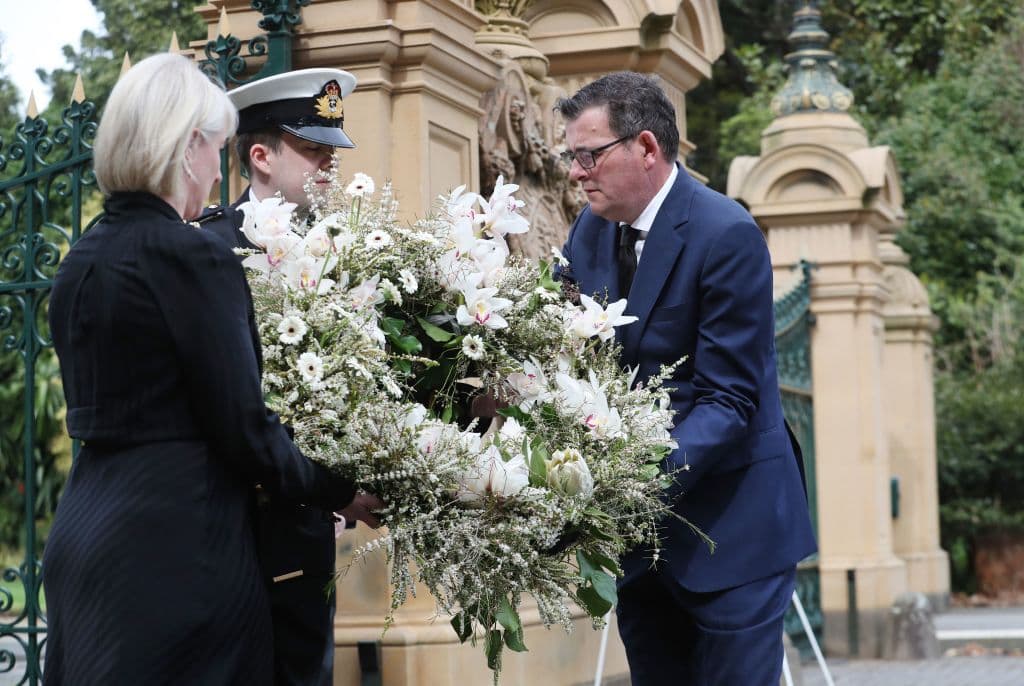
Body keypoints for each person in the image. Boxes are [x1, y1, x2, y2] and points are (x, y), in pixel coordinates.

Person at [43, 54, 380, 685]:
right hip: (180, 546)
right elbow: (244, 428)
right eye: (214, 148)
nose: (217, 169)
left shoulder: (80, 258)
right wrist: (338, 490)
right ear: (186, 147)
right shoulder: (194, 257)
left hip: (85, 534)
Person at [555, 72, 817, 685]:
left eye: (588, 155)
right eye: (571, 156)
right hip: (642, 548)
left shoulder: (726, 233)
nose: (575, 173)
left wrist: (630, 481)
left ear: (646, 147)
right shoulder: (589, 229)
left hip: (733, 534)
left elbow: (728, 400)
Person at [198, 68, 357, 686]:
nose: (329, 164)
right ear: (261, 157)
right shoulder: (209, 246)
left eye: (332, 151)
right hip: (230, 522)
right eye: (313, 149)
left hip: (306, 523)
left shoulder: (347, 249)